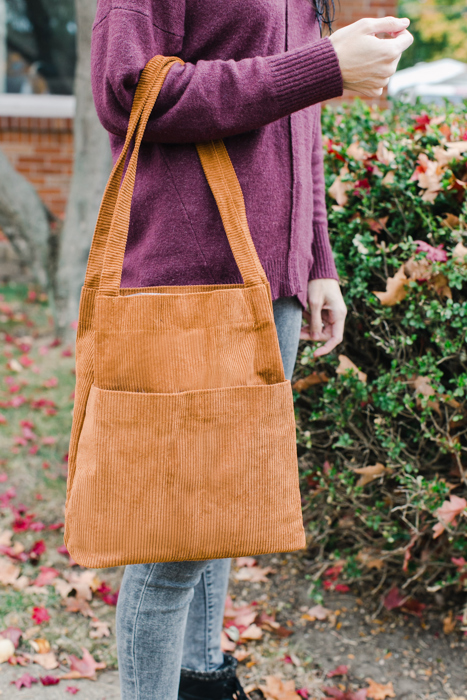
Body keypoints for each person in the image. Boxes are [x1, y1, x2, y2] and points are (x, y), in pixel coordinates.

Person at [90, 2, 412, 698]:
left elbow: (301, 123)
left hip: (275, 284)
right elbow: (126, 90)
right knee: (174, 542)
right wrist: (322, 66)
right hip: (194, 277)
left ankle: (203, 679)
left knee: (219, 512)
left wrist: (317, 259)